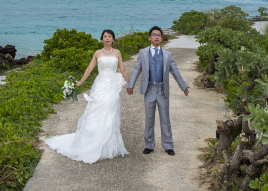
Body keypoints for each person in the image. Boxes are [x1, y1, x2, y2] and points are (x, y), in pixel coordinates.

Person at [44, 29, 130, 163]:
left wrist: (129, 84)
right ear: (102, 39)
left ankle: (109, 146)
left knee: (110, 111)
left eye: (110, 36)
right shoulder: (97, 53)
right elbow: (89, 68)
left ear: (113, 39)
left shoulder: (118, 53)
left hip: (112, 86)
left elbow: (122, 69)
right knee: (95, 112)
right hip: (100, 84)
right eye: (105, 36)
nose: (107, 38)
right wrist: (80, 82)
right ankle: (92, 143)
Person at [126, 26, 188, 155]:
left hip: (162, 89)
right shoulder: (143, 53)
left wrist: (184, 86)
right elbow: (137, 68)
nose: (156, 37)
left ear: (161, 38)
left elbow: (175, 71)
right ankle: (149, 145)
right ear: (150, 37)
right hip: (149, 89)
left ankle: (168, 145)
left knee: (165, 119)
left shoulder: (167, 55)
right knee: (149, 119)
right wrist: (130, 85)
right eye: (154, 34)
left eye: (159, 35)